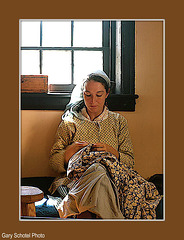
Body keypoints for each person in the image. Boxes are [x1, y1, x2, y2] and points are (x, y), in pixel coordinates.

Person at [49, 70, 161, 219]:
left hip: (113, 179)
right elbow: (53, 163)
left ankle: (73, 205)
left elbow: (130, 162)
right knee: (98, 171)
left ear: (107, 93)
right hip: (75, 181)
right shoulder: (70, 122)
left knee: (100, 171)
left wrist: (112, 152)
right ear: (82, 94)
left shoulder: (118, 122)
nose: (93, 101)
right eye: (87, 95)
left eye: (99, 95)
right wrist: (69, 152)